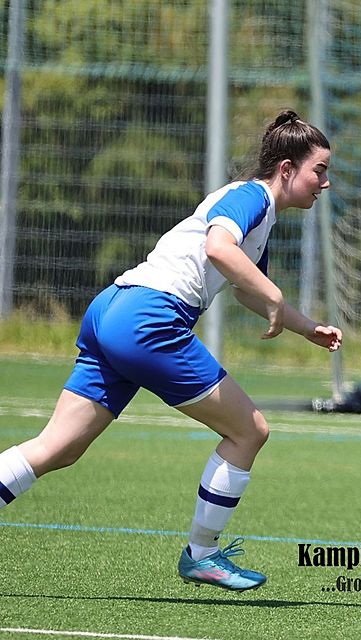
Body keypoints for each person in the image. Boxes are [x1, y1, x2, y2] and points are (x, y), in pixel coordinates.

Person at [0, 110, 342, 592]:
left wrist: (307, 328)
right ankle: (202, 555)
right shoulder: (252, 197)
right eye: (319, 170)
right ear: (286, 169)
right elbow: (220, 251)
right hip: (150, 318)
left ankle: (203, 554)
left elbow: (244, 286)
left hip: (113, 308)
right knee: (250, 431)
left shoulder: (260, 216)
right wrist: (277, 298)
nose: (324, 183)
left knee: (57, 448)